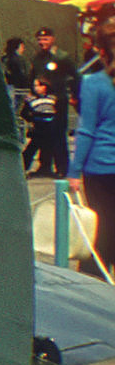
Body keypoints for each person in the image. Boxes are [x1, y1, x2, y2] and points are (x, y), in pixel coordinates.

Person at [70, 16, 115, 279]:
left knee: (99, 225)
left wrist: (74, 171)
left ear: (99, 50)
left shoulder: (93, 84)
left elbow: (86, 130)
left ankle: (93, 278)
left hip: (99, 165)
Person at [23, 75, 68, 178]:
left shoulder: (52, 98)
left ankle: (47, 168)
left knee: (48, 149)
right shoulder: (30, 99)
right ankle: (23, 169)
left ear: (45, 86)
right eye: (34, 86)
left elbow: (57, 112)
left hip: (50, 128)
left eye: (38, 85)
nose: (36, 88)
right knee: (30, 150)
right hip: (38, 128)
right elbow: (24, 113)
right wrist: (32, 118)